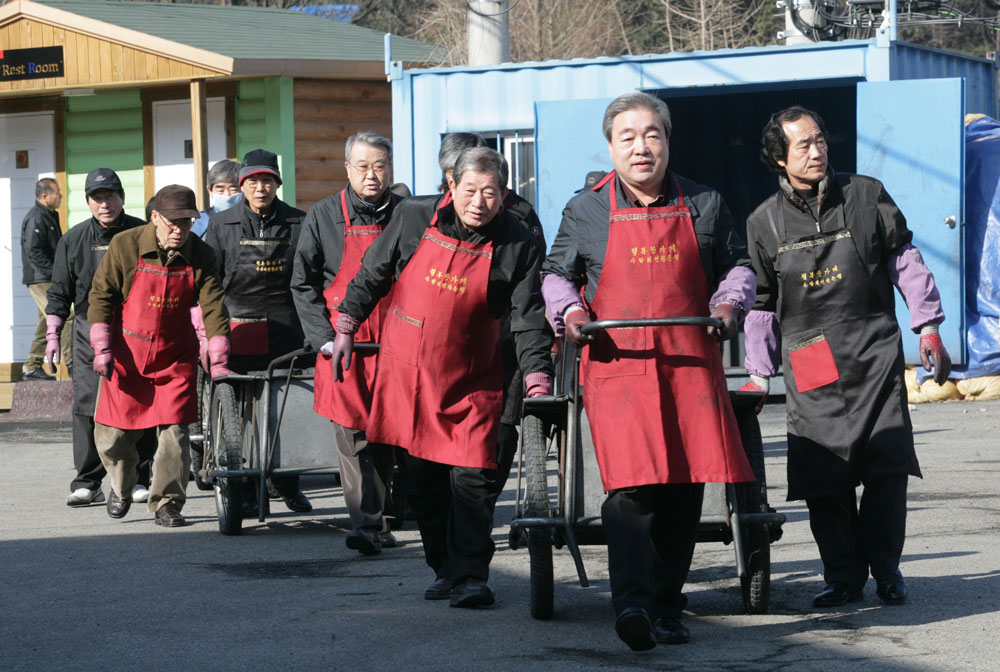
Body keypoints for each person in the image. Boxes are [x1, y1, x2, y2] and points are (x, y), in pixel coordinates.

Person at [541, 92, 756, 650]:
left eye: (652, 135)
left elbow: (736, 266)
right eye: (629, 137)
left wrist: (731, 303)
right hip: (619, 367)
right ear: (611, 145)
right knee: (631, 488)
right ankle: (632, 604)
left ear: (667, 141)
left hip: (689, 363)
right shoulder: (584, 208)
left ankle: (666, 604)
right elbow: (554, 274)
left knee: (684, 487)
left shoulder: (705, 202)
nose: (641, 147)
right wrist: (571, 311)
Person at [742, 105, 951, 609]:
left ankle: (887, 571)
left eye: (820, 141)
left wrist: (928, 327)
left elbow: (905, 260)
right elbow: (763, 306)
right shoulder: (764, 222)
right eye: (803, 145)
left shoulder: (865, 194)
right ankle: (842, 577)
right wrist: (757, 372)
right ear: (778, 158)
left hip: (874, 353)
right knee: (824, 478)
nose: (816, 152)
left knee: (887, 468)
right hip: (812, 359)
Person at [333, 147, 554, 608]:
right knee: (425, 485)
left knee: (474, 479)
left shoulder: (519, 241)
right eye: (469, 190)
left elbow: (529, 317)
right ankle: (445, 569)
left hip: (474, 379)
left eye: (490, 193)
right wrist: (346, 327)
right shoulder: (413, 217)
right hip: (408, 374)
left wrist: (537, 376)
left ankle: (472, 576)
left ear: (504, 194)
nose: (479, 202)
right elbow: (372, 273)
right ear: (451, 186)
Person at [88, 185, 231, 527]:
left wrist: (218, 348)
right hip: (127, 353)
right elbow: (101, 295)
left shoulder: (202, 253)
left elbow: (213, 305)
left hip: (175, 354)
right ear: (155, 217)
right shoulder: (126, 245)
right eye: (173, 223)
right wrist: (102, 346)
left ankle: (168, 502)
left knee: (175, 434)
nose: (180, 230)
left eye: (187, 222)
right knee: (112, 437)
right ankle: (121, 487)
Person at [291, 131, 403, 555]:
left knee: (389, 435)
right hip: (343, 345)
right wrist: (322, 338)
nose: (372, 175)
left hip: (396, 341)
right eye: (363, 166)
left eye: (380, 166)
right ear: (347, 170)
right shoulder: (322, 216)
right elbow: (302, 284)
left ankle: (386, 518)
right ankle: (365, 524)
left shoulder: (407, 214)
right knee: (352, 433)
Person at [437, 132, 547, 498]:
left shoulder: (520, 219)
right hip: (444, 350)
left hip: (502, 348)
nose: (477, 200)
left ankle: (478, 509)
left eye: (488, 187)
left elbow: (531, 295)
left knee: (498, 435)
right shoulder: (427, 217)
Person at [204, 148, 312, 514]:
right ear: (241, 185)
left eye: (267, 180)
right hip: (240, 325)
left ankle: (288, 483)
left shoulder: (300, 222)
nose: (260, 188)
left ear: (277, 183)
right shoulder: (221, 225)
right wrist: (210, 331)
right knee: (245, 414)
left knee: (288, 407)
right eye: (252, 181)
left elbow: (310, 276)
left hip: (287, 326)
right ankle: (246, 491)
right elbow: (210, 281)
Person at [45, 168, 152, 507]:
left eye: (110, 196)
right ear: (89, 202)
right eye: (97, 198)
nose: (104, 203)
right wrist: (52, 334)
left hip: (136, 328)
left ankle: (139, 478)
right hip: (87, 330)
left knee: (140, 401)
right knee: (88, 406)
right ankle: (88, 481)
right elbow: (60, 293)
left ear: (122, 197)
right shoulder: (73, 239)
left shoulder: (142, 232)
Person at [21, 178, 70, 380]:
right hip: (41, 279)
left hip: (46, 276)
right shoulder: (36, 218)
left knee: (46, 321)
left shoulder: (48, 215)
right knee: (64, 317)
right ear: (44, 196)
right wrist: (54, 272)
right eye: (57, 192)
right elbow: (34, 251)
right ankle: (73, 365)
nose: (60, 196)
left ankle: (31, 366)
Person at [192, 159, 243, 238]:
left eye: (233, 189)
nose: (227, 195)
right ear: (210, 191)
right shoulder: (203, 220)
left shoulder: (253, 218)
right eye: (220, 190)